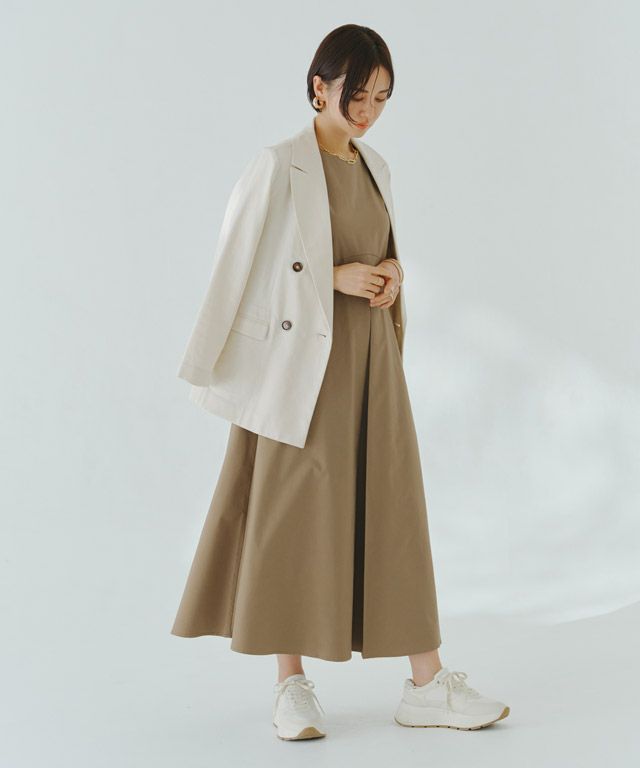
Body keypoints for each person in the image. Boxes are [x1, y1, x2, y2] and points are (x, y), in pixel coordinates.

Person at [171, 24, 510, 740]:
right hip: (300, 367)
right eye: (358, 94)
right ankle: (290, 685)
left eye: (382, 97)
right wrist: (332, 279)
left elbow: (374, 249)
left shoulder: (375, 165)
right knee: (291, 516)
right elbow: (240, 269)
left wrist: (390, 274)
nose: (368, 111)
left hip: (370, 363)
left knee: (394, 510)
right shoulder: (278, 164)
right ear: (319, 86)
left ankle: (426, 684)